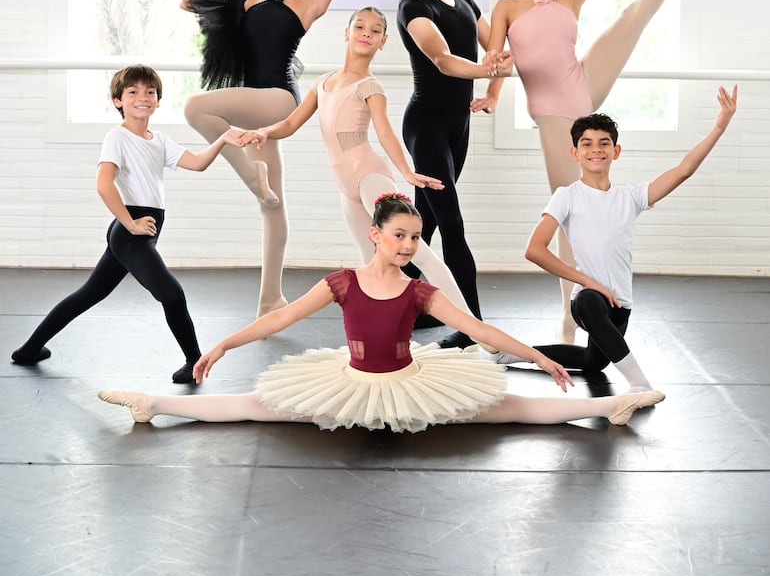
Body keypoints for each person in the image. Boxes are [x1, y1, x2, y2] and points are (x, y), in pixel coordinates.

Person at [98, 193, 665, 432]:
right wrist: (221, 345)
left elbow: (476, 328)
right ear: (375, 235)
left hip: (412, 382)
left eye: (416, 238)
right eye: (399, 235)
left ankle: (616, 403)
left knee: (507, 408)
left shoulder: (419, 291)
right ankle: (152, 403)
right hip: (348, 384)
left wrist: (540, 357)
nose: (409, 245)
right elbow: (282, 318)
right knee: (255, 407)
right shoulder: (342, 282)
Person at [486, 0, 696, 342]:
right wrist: (492, 95)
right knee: (568, 211)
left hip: (581, 84)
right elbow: (496, 60)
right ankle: (569, 309)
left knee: (637, 12)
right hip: (552, 113)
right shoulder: (506, 6)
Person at [181, 0, 363, 317]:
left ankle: (250, 177)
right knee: (272, 204)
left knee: (195, 108)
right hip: (254, 106)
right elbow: (189, 2)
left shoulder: (307, 4)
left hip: (278, 100)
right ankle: (270, 298)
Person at [240, 5, 488, 329]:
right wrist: (264, 131)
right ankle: (385, 325)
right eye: (360, 27)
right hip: (348, 188)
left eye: (374, 31)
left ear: (382, 41)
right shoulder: (323, 82)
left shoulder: (371, 86)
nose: (366, 34)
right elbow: (289, 123)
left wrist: (407, 172)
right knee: (372, 264)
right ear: (347, 33)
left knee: (419, 252)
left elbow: (384, 132)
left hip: (370, 176)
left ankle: (472, 326)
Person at [11, 65, 246, 384]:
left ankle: (29, 349)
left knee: (89, 293)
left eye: (150, 92)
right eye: (133, 92)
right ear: (117, 100)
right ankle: (194, 361)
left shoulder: (159, 140)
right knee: (172, 294)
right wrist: (131, 224)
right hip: (131, 233)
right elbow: (104, 184)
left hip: (137, 230)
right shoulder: (117, 137)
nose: (142, 97)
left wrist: (223, 139)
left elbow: (198, 163)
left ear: (159, 100)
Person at [498, 85, 737, 392]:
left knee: (593, 362)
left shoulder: (631, 197)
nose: (596, 149)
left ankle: (510, 353)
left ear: (616, 151)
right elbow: (534, 250)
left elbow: (683, 170)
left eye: (604, 143)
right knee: (586, 302)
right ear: (575, 153)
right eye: (587, 144)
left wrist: (720, 125)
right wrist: (587, 281)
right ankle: (641, 386)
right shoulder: (567, 197)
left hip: (620, 304)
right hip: (588, 300)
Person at [397, 0, 513, 351]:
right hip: (426, 125)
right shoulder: (413, 5)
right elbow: (442, 59)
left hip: (458, 127)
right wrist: (486, 70)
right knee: (452, 224)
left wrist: (495, 91)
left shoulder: (464, 0)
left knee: (421, 224)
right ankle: (472, 326)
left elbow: (499, 53)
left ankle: (395, 302)